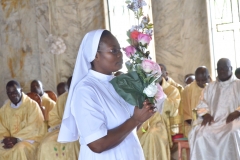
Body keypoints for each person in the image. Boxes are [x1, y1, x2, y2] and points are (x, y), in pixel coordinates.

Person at [57, 30, 163, 160]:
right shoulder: (85, 90)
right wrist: (136, 119)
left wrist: (143, 113)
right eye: (113, 51)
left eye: (119, 50)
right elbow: (97, 144)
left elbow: (128, 128)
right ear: (95, 55)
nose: (120, 55)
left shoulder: (119, 83)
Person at [189, 58, 240, 160]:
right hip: (213, 120)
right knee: (201, 135)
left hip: (233, 120)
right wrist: (206, 114)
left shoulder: (238, 84)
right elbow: (202, 103)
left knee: (232, 133)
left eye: (224, 69)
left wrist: (237, 112)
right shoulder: (210, 87)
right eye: (219, 69)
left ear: (231, 68)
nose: (221, 71)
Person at [137, 73, 181, 160]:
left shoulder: (172, 90)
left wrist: (162, 98)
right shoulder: (141, 88)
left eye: (158, 73)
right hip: (143, 122)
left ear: (164, 74)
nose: (155, 75)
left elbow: (172, 111)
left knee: (153, 134)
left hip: (162, 123)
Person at [0, 80, 46, 160]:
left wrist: (17, 139)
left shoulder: (32, 105)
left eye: (15, 91)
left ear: (21, 90)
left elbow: (34, 127)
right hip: (10, 141)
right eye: (10, 93)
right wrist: (6, 140)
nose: (13, 95)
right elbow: (1, 128)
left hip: (30, 140)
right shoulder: (4, 110)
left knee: (19, 149)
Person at [37, 76, 80, 160]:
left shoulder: (87, 97)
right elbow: (53, 117)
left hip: (80, 132)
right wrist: (63, 124)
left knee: (73, 145)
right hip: (62, 130)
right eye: (70, 87)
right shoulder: (63, 98)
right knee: (45, 144)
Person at [181, 66, 210, 137]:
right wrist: (196, 125)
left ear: (208, 77)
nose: (200, 83)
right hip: (194, 124)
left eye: (203, 80)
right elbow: (185, 113)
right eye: (198, 80)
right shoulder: (188, 90)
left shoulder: (215, 88)